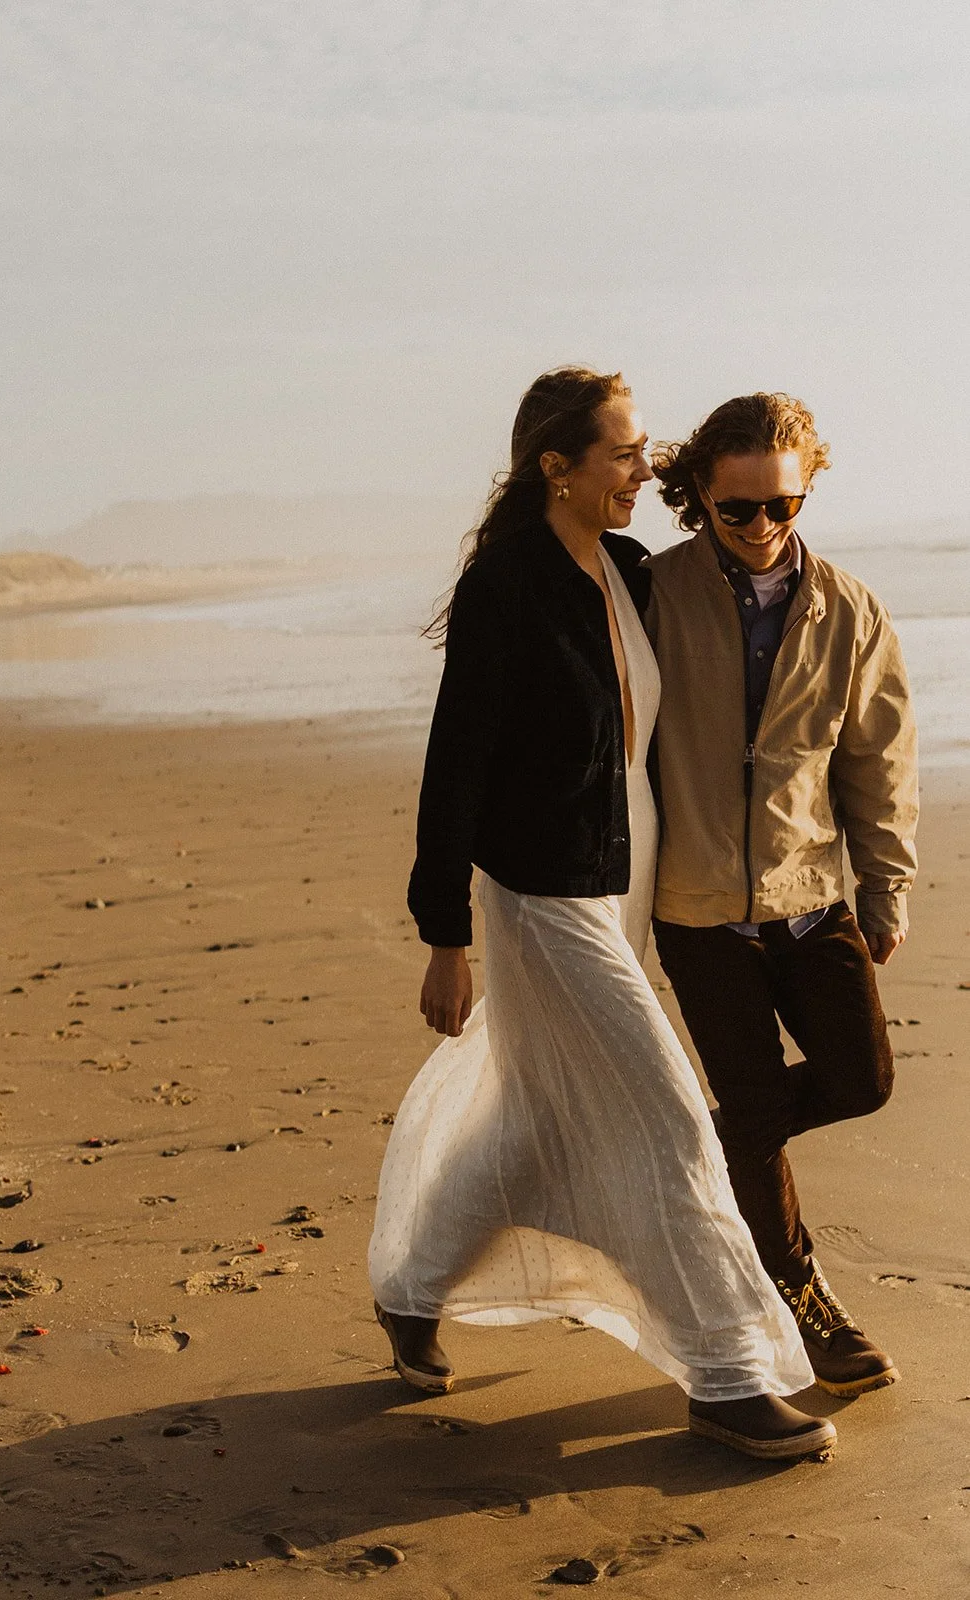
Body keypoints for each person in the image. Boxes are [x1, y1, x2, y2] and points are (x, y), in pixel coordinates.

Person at [368, 366, 833, 1462]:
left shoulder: (623, 565)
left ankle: (413, 1285)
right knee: (673, 1114)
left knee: (533, 1123)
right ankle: (726, 1374)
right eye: (625, 452)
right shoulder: (507, 588)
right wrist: (446, 932)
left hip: (624, 878)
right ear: (556, 468)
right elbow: (457, 767)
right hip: (541, 898)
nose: (646, 466)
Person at [647, 393, 919, 1398]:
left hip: (811, 898)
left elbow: (878, 759)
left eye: (783, 505)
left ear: (808, 487)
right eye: (737, 510)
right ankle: (804, 1297)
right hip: (699, 910)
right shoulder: (653, 595)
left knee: (863, 1079)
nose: (763, 528)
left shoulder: (850, 607)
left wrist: (885, 886)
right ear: (699, 497)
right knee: (760, 1099)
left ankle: (718, 1144)